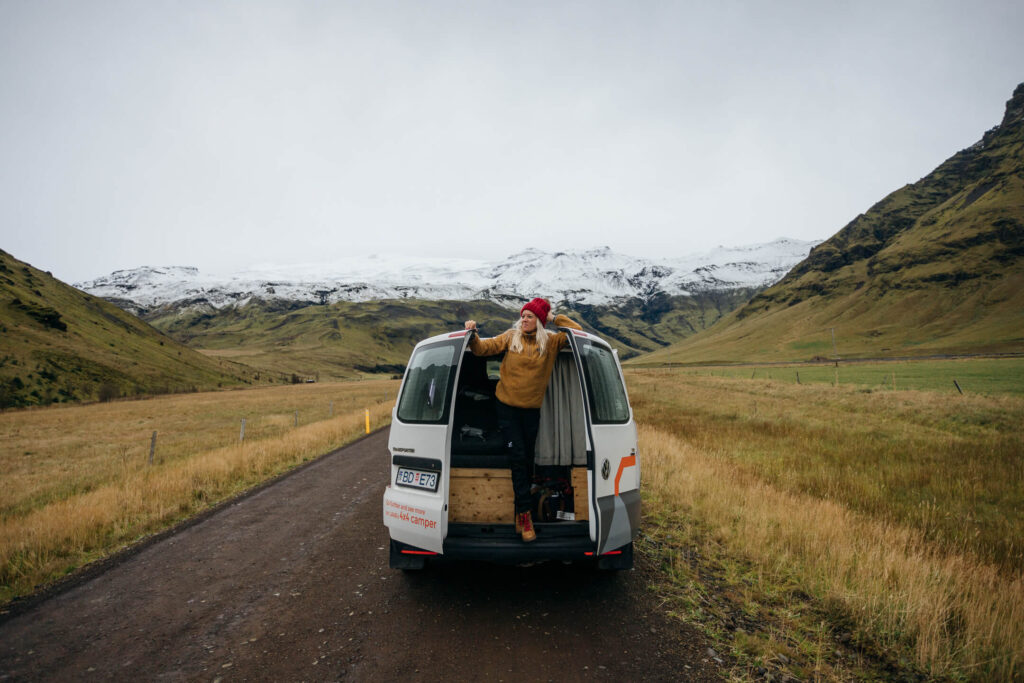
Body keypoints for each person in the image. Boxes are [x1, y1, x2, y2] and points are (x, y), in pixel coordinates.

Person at [464, 298, 582, 542]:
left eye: (530, 316)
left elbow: (577, 333)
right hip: (506, 407)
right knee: (518, 458)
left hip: (531, 410)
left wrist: (552, 318)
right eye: (523, 316)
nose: (524, 320)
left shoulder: (550, 341)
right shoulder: (510, 336)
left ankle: (524, 510)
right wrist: (472, 334)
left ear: (539, 320)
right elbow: (482, 349)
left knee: (528, 459)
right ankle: (524, 515)